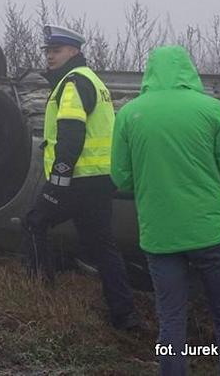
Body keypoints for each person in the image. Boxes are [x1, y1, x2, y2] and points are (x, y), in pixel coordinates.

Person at [111, 45, 220, 376]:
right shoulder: (212, 109)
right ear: (189, 70)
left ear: (150, 71)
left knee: (171, 319)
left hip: (160, 235)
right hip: (211, 232)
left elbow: (121, 178)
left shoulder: (129, 114)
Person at [23, 23, 142, 331]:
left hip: (77, 178)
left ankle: (40, 299)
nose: (50, 56)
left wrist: (59, 178)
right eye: (48, 51)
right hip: (101, 179)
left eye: (56, 51)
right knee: (103, 245)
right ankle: (124, 315)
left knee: (35, 223)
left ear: (74, 52)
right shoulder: (94, 81)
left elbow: (72, 134)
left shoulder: (73, 83)